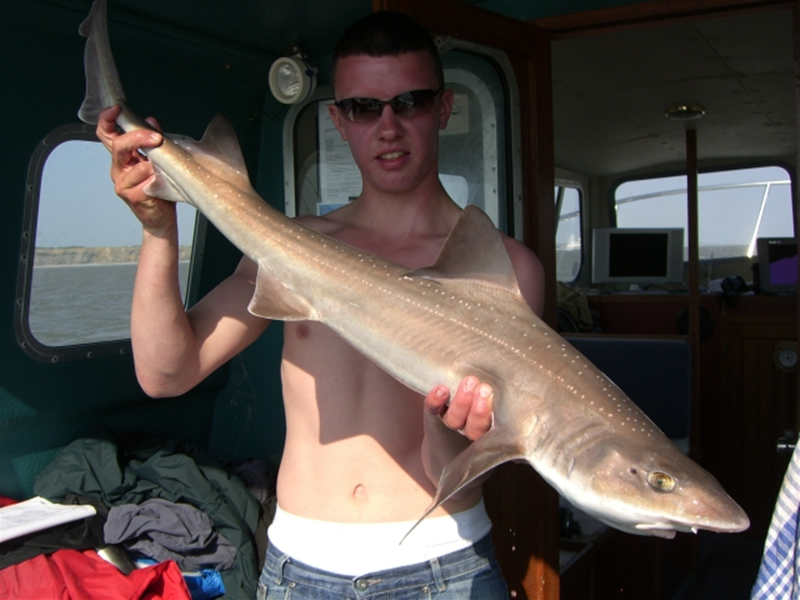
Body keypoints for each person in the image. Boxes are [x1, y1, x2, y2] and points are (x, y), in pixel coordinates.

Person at [96, 10, 545, 599]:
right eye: (363, 108)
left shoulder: (503, 275)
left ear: (443, 108)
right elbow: (166, 373)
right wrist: (158, 229)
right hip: (298, 570)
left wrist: (448, 427)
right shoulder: (291, 247)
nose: (388, 127)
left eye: (409, 103)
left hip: (444, 564)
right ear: (338, 119)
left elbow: (455, 477)